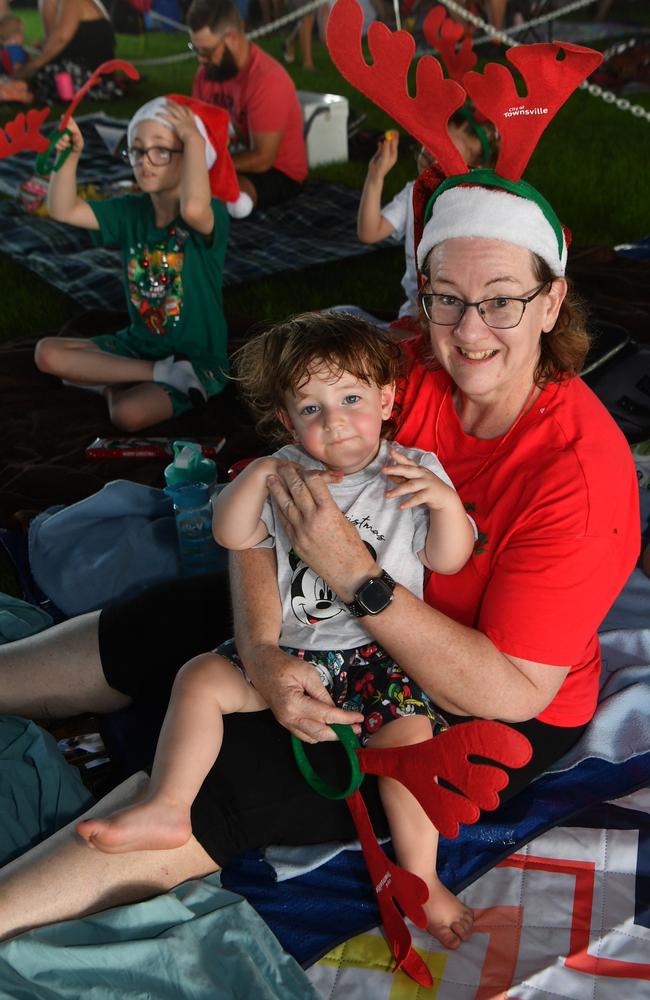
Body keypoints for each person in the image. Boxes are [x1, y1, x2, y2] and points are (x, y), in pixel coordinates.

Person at [0, 57, 640, 958]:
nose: (468, 331)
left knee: (240, 773)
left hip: (476, 691)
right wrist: (263, 653)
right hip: (331, 611)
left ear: (554, 300)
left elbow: (509, 689)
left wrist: (354, 576)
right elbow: (274, 502)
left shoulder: (581, 479)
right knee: (169, 626)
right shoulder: (395, 365)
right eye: (445, 298)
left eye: (503, 301)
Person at [74, 312, 475, 944]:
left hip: (380, 654)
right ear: (287, 422)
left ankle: (422, 877)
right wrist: (256, 476)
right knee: (199, 678)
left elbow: (448, 558)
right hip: (295, 651)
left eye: (350, 399)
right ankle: (169, 807)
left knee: (409, 749)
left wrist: (447, 505)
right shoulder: (284, 472)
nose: (333, 421)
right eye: (310, 409)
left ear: (387, 400)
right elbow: (233, 535)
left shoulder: (412, 471)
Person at [34, 96, 236, 432]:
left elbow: (193, 209)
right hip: (137, 348)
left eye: (162, 150)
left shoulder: (210, 213)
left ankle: (104, 380)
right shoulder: (132, 210)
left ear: (192, 157)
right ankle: (160, 373)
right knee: (47, 354)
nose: (145, 162)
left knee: (127, 414)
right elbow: (63, 209)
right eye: (137, 151)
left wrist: (195, 139)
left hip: (197, 359)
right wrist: (68, 158)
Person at [356, 114, 499, 330]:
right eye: (431, 142)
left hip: (460, 319)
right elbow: (369, 232)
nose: (431, 153)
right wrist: (376, 175)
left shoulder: (477, 206)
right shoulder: (414, 192)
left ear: (473, 168)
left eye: (444, 151)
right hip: (414, 315)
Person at [188, 0, 308, 211]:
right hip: (228, 160)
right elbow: (198, 131)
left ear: (232, 38)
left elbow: (263, 159)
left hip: (277, 172)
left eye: (206, 51)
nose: (200, 59)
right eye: (195, 49)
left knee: (213, 196)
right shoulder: (206, 75)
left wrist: (202, 168)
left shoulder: (267, 79)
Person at [12, 0, 115, 102]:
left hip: (87, 80)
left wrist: (32, 66)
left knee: (34, 78)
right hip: (95, 77)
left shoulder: (71, 2)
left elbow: (61, 39)